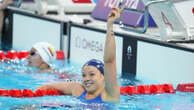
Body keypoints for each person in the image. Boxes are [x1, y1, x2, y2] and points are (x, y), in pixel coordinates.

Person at [37, 7, 123, 104]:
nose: (87, 79)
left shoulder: (109, 94)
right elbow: (48, 86)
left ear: (103, 76)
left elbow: (109, 61)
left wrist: (110, 26)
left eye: (92, 74)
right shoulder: (78, 89)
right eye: (83, 75)